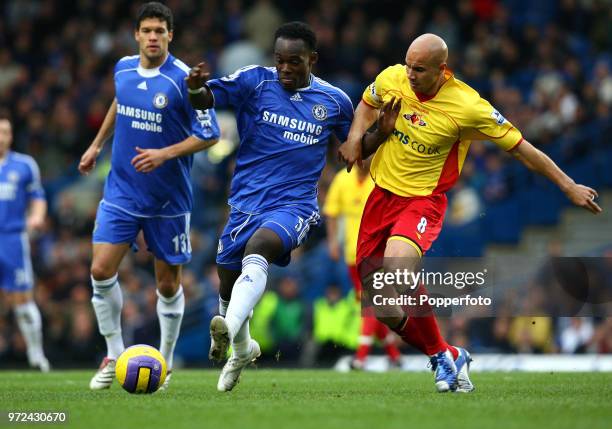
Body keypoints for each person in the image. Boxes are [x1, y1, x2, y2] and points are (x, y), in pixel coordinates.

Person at [338, 33, 602, 392]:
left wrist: (567, 185)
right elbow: (367, 103)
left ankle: (439, 360)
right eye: (408, 65)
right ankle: (447, 355)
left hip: (422, 201)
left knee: (397, 273)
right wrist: (356, 138)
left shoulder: (468, 106)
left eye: (419, 69)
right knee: (383, 307)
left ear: (441, 70)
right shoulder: (392, 77)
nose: (410, 74)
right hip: (380, 197)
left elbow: (521, 148)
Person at [187, 21, 354, 391]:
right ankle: (242, 348)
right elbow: (205, 99)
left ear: (312, 59)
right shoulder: (254, 81)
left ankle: (228, 329)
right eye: (280, 60)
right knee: (227, 282)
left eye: (294, 61)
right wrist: (196, 88)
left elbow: (354, 146)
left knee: (259, 247)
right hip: (245, 203)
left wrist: (373, 136)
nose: (285, 69)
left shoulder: (335, 101)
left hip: (295, 205)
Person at [78, 2, 220, 391]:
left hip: (168, 200)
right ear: (136, 35)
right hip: (122, 189)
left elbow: (210, 134)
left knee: (169, 286)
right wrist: (96, 145)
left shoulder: (184, 79)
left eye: (160, 30)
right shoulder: (123, 68)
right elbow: (119, 102)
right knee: (100, 270)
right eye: (147, 31)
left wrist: (164, 153)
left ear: (170, 35)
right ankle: (113, 354)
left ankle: (166, 361)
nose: (153, 37)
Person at [324, 160, 402, 370]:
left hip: (378, 252)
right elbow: (331, 212)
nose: (365, 159)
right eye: (362, 154)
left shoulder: (383, 175)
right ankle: (394, 355)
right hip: (352, 254)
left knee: (370, 301)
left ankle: (361, 357)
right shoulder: (342, 178)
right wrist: (333, 242)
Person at [0, 116, 49, 372]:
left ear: (11, 136)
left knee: (22, 298)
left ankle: (36, 355)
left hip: (11, 238)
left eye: (5, 131)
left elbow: (37, 196)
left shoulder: (24, 165)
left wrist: (37, 217)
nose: (1, 136)